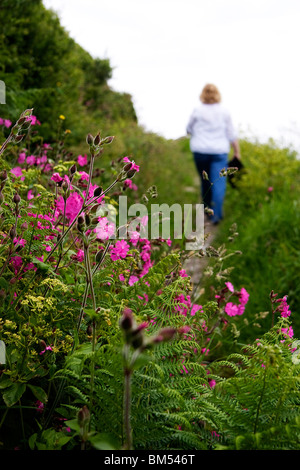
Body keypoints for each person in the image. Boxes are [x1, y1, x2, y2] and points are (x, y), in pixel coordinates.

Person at [186, 83, 241, 224]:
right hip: (219, 151)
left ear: (203, 94)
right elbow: (231, 134)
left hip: (200, 151)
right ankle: (216, 216)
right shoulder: (224, 112)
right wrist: (237, 152)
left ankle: (207, 209)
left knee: (205, 181)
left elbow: (188, 129)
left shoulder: (197, 110)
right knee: (219, 183)